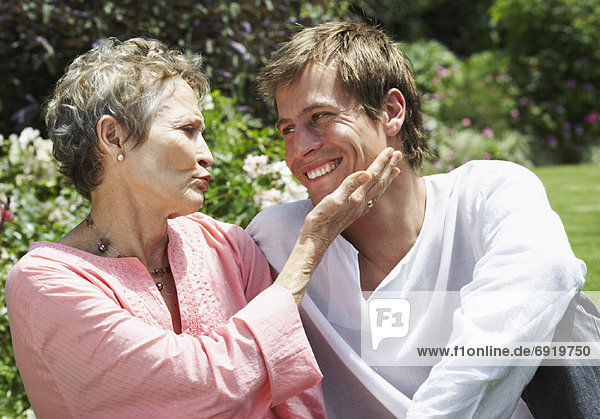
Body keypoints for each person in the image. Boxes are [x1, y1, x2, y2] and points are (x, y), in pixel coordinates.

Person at [5, 37, 402, 417]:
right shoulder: (45, 283)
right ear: (114, 136)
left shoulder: (228, 246)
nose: (207, 155)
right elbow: (196, 389)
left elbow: (299, 401)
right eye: (187, 131)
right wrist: (311, 247)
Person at [247, 21, 599, 418]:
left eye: (320, 117)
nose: (300, 148)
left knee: (567, 318)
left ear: (391, 111)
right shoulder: (280, 239)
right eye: (288, 129)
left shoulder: (487, 195)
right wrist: (313, 243)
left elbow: (546, 274)